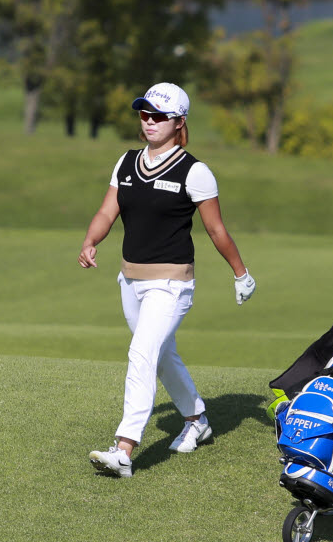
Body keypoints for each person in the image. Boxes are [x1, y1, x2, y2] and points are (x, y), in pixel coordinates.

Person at [79, 82, 256, 478]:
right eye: (144, 114)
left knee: (142, 353)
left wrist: (240, 273)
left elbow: (216, 230)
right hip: (130, 279)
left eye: (159, 116)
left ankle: (124, 449)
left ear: (179, 122)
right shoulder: (125, 162)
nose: (149, 121)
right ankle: (197, 418)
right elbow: (109, 211)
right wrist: (91, 240)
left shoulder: (195, 171)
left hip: (172, 283)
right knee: (160, 356)